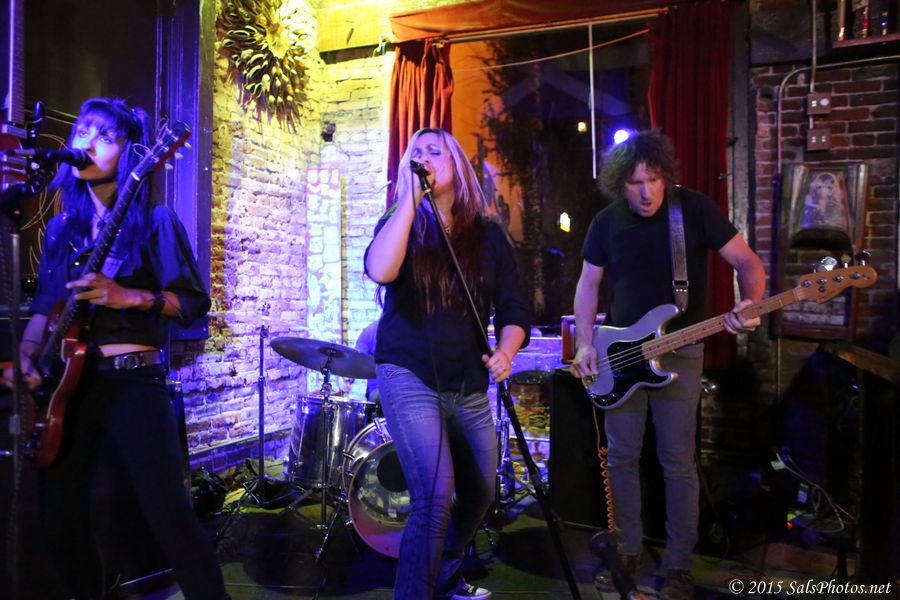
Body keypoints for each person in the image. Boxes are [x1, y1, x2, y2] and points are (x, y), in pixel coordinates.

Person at [4, 97, 228, 599]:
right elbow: (45, 308)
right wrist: (26, 358)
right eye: (82, 130)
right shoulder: (61, 229)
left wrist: (129, 296)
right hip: (66, 389)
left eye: (105, 135)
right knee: (58, 515)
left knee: (170, 516)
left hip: (133, 382)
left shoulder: (157, 220)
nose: (87, 142)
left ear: (130, 152)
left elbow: (193, 303)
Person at [571, 131, 765, 600]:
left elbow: (747, 262)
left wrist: (751, 302)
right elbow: (588, 284)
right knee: (621, 457)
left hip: (681, 349)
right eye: (635, 183)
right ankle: (629, 551)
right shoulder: (606, 221)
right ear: (620, 183)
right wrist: (584, 343)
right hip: (621, 354)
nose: (646, 192)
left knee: (677, 462)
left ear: (666, 177)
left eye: (654, 180)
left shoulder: (693, 210)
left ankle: (678, 566)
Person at [364, 128, 530, 600]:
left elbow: (515, 309)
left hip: (469, 384)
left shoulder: (488, 236)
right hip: (408, 373)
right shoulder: (398, 222)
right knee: (434, 495)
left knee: (481, 493)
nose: (424, 158)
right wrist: (409, 201)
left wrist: (507, 350)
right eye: (415, 153)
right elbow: (380, 271)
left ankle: (444, 573)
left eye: (434, 151)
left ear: (456, 165)